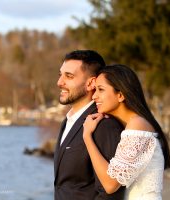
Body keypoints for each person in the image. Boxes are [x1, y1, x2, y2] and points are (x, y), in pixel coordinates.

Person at [83, 64, 170, 200]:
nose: (94, 96)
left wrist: (87, 136)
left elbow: (110, 184)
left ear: (120, 95)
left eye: (100, 89)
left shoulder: (138, 125)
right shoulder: (133, 125)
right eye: (95, 89)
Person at [54, 50, 126, 200]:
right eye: (60, 75)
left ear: (91, 83)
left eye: (69, 76)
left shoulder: (103, 125)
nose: (59, 82)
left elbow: (109, 193)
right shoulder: (67, 121)